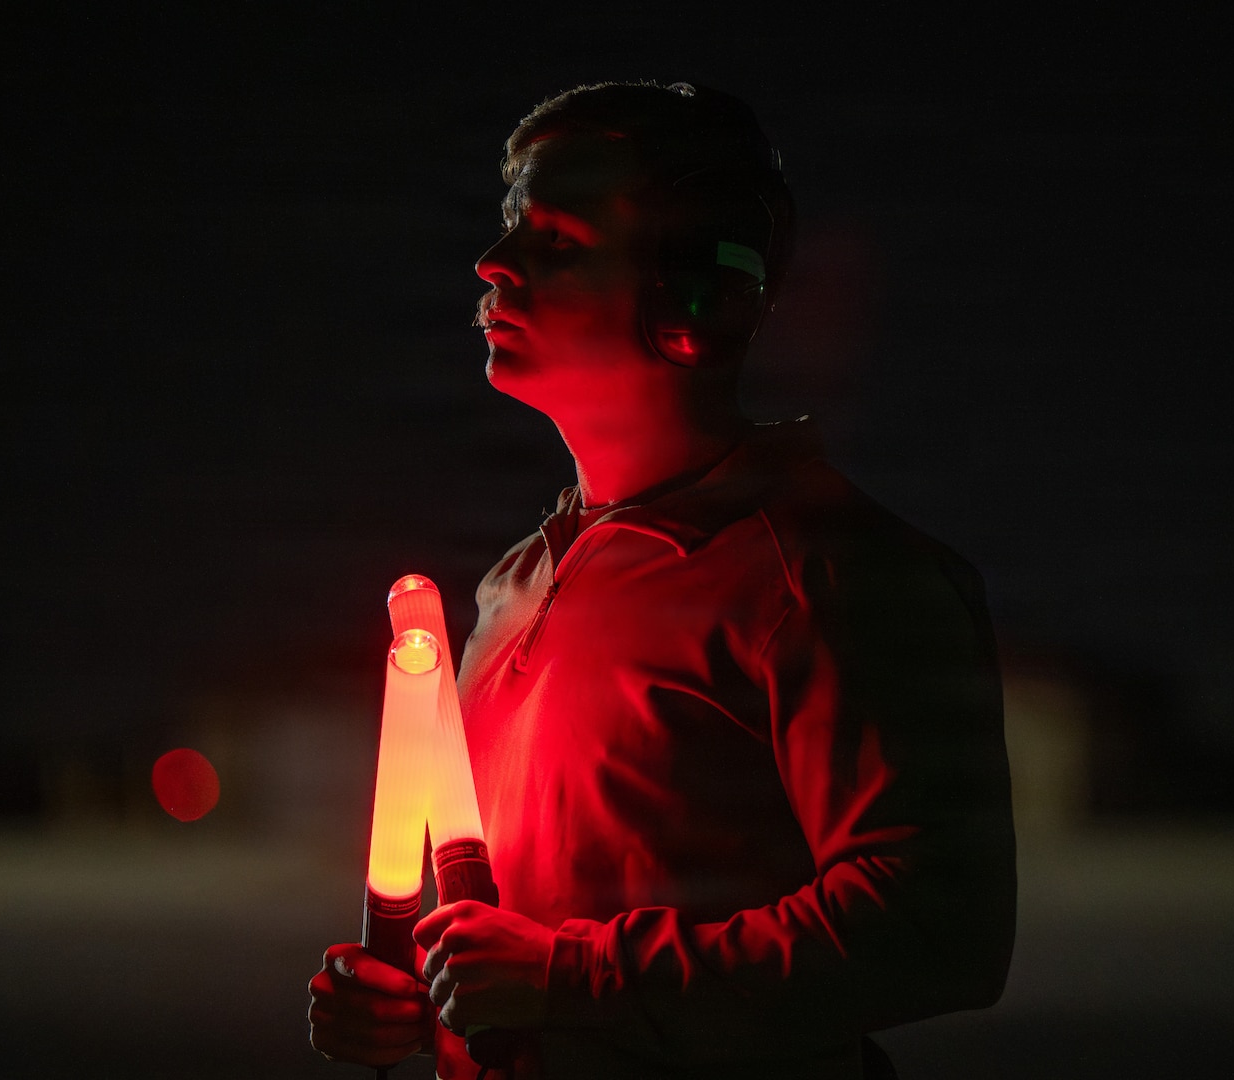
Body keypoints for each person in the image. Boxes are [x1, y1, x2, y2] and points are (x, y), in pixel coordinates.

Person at [309, 80, 1017, 1080]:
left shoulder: (831, 574)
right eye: (509, 227)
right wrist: (425, 1008)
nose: (491, 262)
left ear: (697, 293)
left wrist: (566, 978)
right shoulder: (515, 586)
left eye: (556, 242)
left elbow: (938, 931)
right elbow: (525, 953)